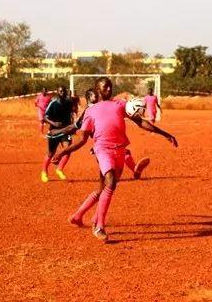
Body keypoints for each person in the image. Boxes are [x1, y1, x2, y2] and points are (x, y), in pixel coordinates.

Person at [53, 77, 178, 243]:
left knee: (103, 188)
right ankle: (99, 226)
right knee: (110, 181)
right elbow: (82, 139)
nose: (109, 90)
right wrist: (62, 153)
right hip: (102, 150)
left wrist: (165, 134)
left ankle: (77, 216)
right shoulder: (91, 111)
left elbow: (140, 122)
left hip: (120, 150)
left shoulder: (120, 105)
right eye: (105, 88)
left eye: (110, 87)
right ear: (98, 90)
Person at [49, 88, 151, 179]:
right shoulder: (89, 111)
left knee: (124, 155)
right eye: (95, 95)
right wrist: (58, 132)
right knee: (110, 177)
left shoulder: (100, 106)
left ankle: (134, 170)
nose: (98, 96)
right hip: (101, 144)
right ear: (89, 97)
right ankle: (129, 171)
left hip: (107, 141)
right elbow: (74, 127)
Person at [41, 86, 74, 182]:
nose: (62, 92)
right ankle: (44, 171)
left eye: (64, 91)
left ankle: (59, 169)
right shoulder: (53, 103)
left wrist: (71, 127)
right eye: (60, 91)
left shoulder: (69, 103)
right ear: (57, 92)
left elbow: (70, 115)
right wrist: (54, 123)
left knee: (67, 150)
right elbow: (45, 117)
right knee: (51, 153)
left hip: (65, 131)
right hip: (54, 132)